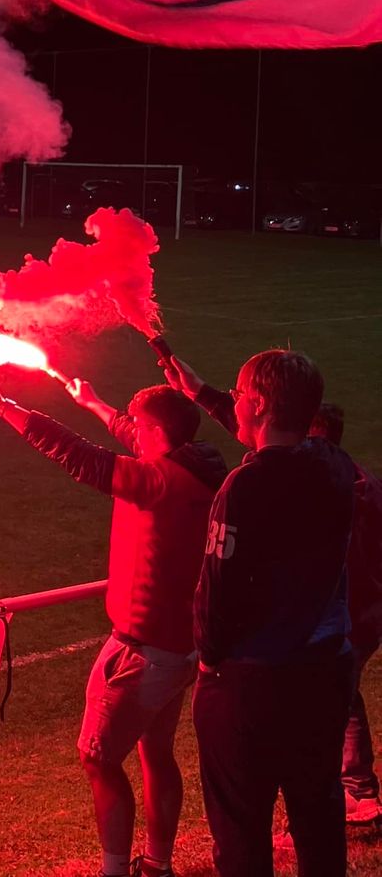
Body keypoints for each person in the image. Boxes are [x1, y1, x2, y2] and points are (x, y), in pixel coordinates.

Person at [0, 369, 226, 877]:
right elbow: (128, 431)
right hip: (180, 648)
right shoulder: (195, 465)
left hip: (142, 650)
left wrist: (4, 407)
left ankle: (114, 871)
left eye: (139, 424)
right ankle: (157, 864)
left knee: (98, 757)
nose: (130, 428)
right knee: (156, 752)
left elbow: (79, 456)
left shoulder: (157, 482)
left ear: (159, 435)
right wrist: (92, 401)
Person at [165, 349, 355, 877]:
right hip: (322, 677)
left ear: (262, 404)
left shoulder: (243, 488)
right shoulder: (333, 464)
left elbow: (218, 592)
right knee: (318, 818)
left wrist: (209, 663)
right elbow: (282, 440)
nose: (236, 400)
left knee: (242, 832)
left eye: (241, 393)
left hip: (251, 686)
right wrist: (201, 392)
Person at [312, 403, 382, 825]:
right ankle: (362, 794)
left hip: (346, 618)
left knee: (325, 706)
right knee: (344, 697)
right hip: (366, 614)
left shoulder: (331, 489)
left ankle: (354, 794)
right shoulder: (360, 476)